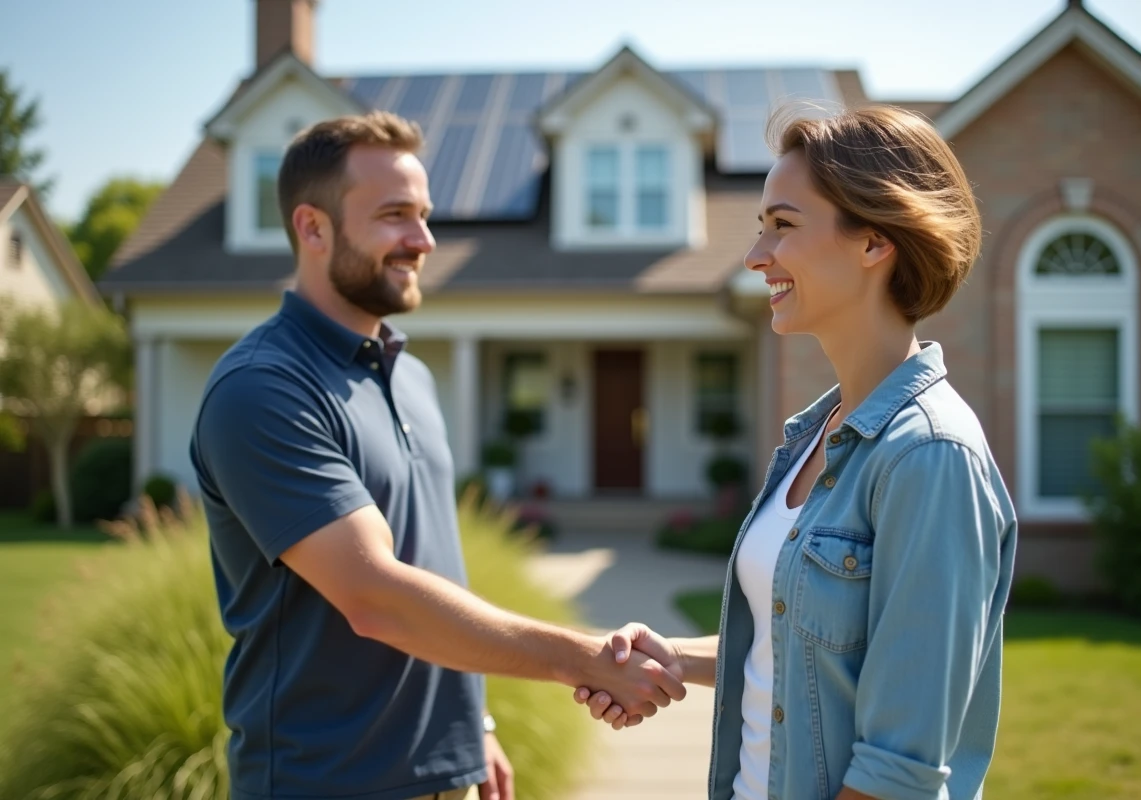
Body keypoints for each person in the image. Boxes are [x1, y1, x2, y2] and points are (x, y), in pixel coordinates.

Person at [189, 110, 686, 800]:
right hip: (327, 784)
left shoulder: (408, 375)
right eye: (395, 215)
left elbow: (430, 564)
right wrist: (589, 661)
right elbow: (375, 597)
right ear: (312, 227)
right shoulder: (264, 388)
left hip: (447, 776)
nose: (423, 240)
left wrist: (471, 721)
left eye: (424, 215)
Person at [575, 104, 1018, 800]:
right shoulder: (815, 435)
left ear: (873, 243)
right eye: (760, 229)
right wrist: (674, 658)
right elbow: (806, 648)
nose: (755, 256)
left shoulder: (928, 457)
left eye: (782, 226)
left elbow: (898, 771)